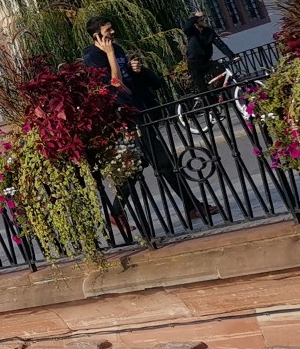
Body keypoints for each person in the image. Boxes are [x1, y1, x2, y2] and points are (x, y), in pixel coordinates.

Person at [82, 17, 214, 228]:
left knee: (139, 165)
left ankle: (117, 214)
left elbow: (127, 80)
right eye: (108, 30)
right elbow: (115, 84)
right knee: (159, 162)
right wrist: (110, 55)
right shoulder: (92, 57)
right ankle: (192, 207)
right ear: (97, 35)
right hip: (124, 118)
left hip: (138, 110)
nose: (113, 32)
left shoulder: (117, 48)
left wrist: (134, 70)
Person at [183, 11, 238, 93]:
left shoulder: (209, 32)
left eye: (204, 19)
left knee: (222, 72)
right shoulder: (192, 32)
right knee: (203, 89)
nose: (204, 21)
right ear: (196, 22)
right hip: (194, 63)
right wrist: (195, 17)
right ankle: (207, 98)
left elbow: (220, 45)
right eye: (201, 20)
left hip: (206, 61)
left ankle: (216, 92)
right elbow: (186, 27)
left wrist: (232, 56)